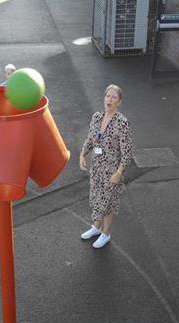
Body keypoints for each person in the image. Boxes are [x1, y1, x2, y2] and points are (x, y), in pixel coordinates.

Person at [78, 84, 133, 249]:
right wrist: (82, 153)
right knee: (96, 198)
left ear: (119, 102)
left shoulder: (122, 123)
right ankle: (96, 227)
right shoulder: (96, 117)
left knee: (108, 204)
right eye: (108, 96)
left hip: (112, 172)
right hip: (97, 168)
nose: (109, 99)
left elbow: (127, 151)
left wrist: (119, 172)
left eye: (114, 97)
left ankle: (106, 234)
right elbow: (90, 139)